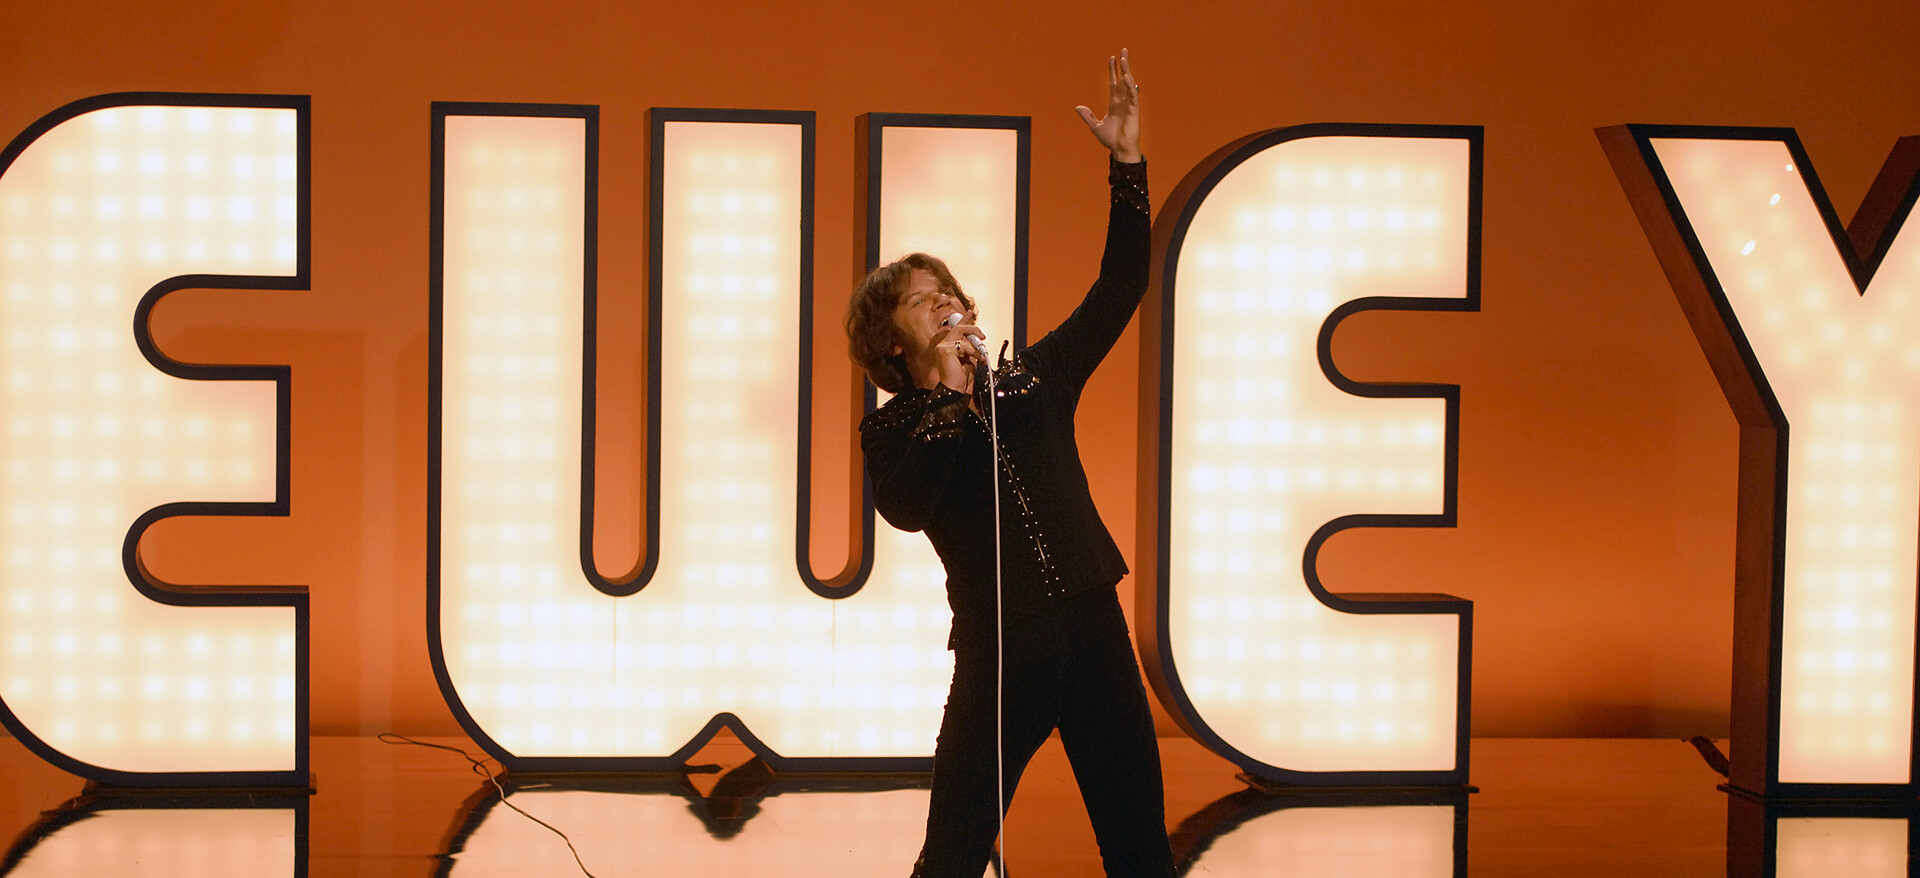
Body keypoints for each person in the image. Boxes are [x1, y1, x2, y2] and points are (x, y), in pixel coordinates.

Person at [845, 49, 1176, 878]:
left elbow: (1122, 283)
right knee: (952, 859)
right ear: (893, 341)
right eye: (922, 300)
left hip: (1094, 632)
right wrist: (951, 400)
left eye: (949, 292)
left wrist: (1127, 166)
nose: (945, 302)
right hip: (1001, 655)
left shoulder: (1035, 379)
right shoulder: (896, 429)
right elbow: (907, 509)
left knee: (1140, 852)